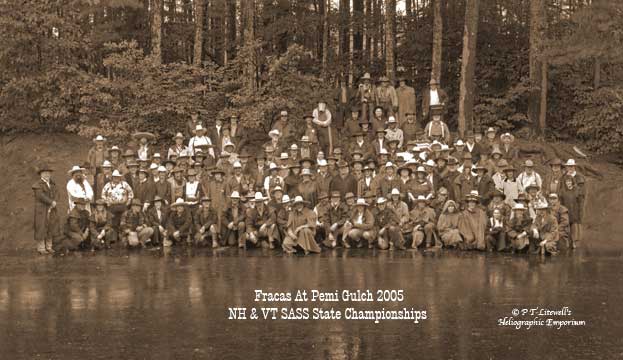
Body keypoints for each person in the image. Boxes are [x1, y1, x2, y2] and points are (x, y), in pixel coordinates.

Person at [32, 163, 62, 254]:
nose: (47, 174)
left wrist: (55, 202)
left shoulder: (52, 184)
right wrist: (51, 202)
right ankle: (41, 248)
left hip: (52, 208)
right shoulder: (37, 185)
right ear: (40, 174)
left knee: (51, 227)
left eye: (48, 173)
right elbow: (40, 196)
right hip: (41, 210)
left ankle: (49, 247)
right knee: (41, 228)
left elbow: (57, 194)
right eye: (44, 173)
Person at [559, 175, 582, 249]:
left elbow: (580, 202)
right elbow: (561, 203)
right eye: (566, 182)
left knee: (574, 227)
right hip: (566, 212)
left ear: (572, 182)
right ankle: (567, 242)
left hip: (574, 211)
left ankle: (574, 242)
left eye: (569, 181)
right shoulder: (563, 191)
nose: (568, 183)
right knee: (566, 227)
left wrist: (579, 211)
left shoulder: (577, 190)